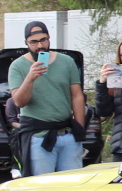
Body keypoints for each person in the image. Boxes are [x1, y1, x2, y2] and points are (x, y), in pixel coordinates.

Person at [8, 21, 87, 176]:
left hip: (67, 134)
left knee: (72, 185)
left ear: (49, 38)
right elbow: (19, 101)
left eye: (43, 40)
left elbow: (77, 96)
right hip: (38, 137)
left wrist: (79, 129)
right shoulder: (17, 66)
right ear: (26, 43)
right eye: (34, 42)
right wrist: (30, 78)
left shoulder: (66, 61)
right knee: (42, 186)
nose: (39, 46)